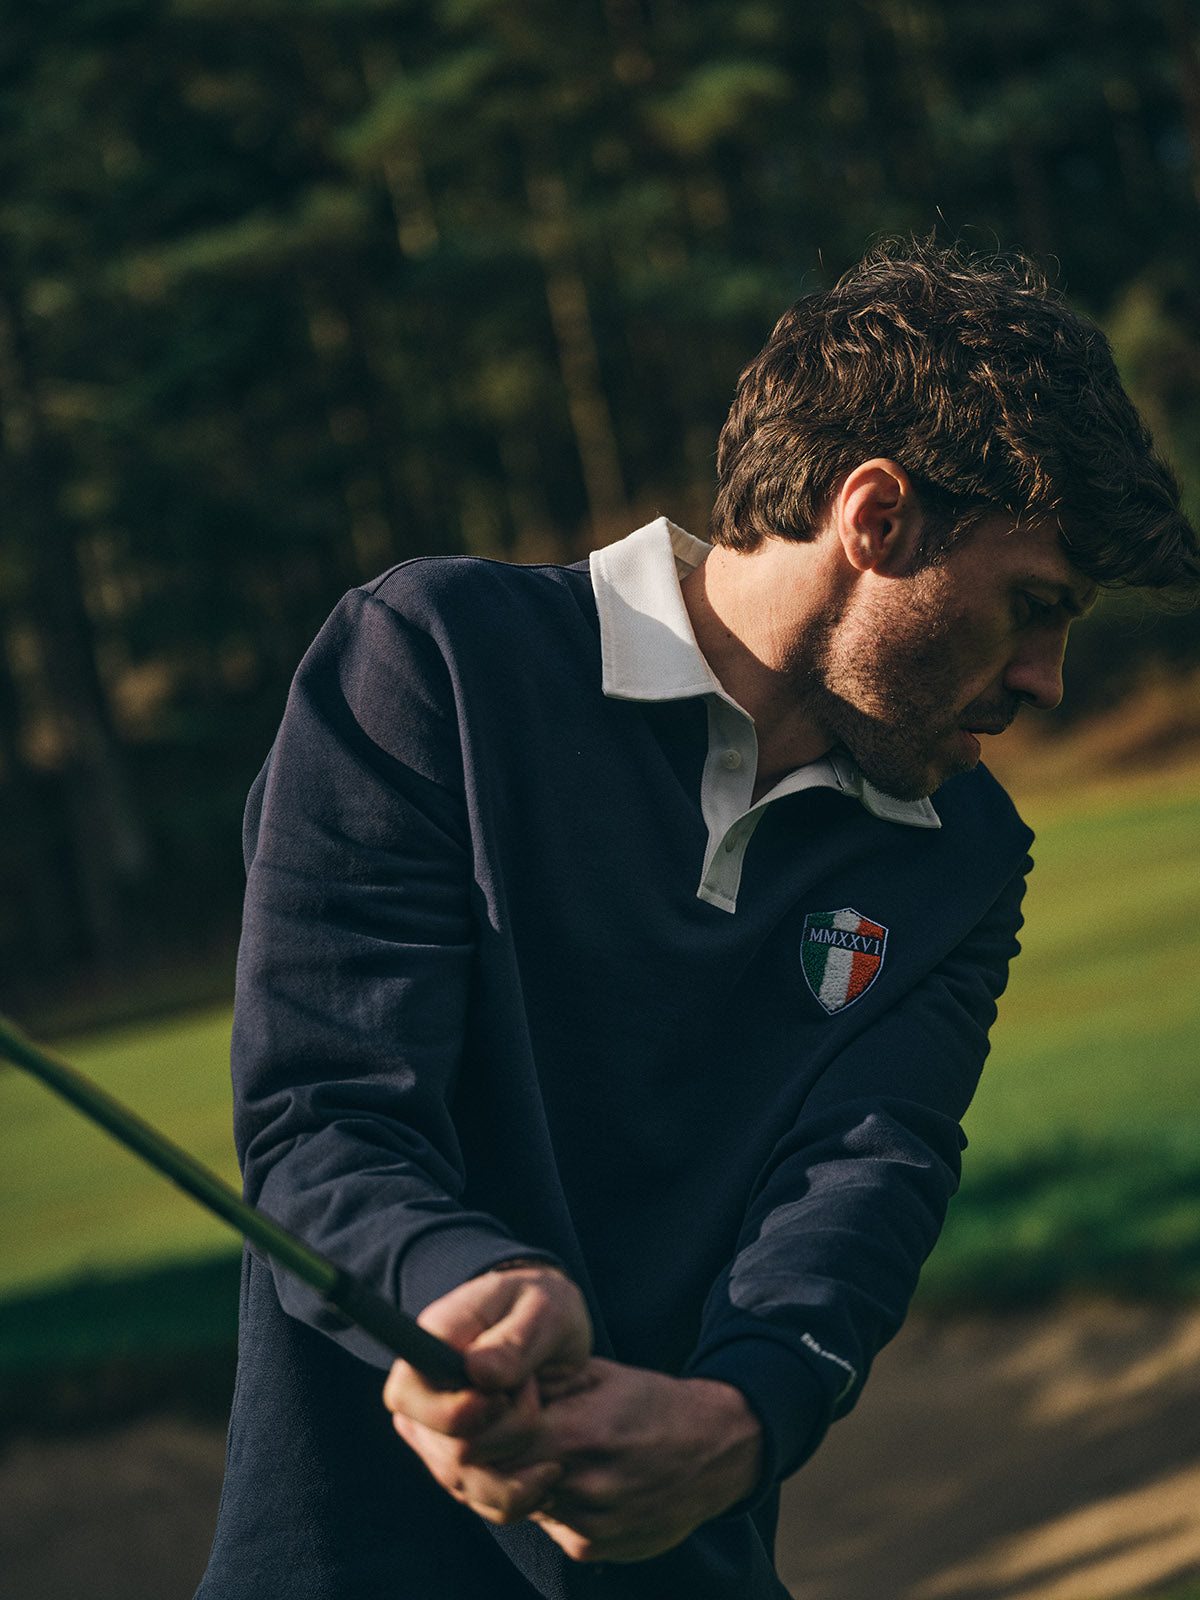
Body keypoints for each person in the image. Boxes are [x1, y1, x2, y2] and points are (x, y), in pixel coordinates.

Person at [196, 239, 1198, 1600]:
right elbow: (324, 1122)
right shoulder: (433, 658)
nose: (1050, 679)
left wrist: (741, 1420)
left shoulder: (966, 852)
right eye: (1035, 609)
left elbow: (865, 1174)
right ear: (876, 517)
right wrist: (471, 1282)